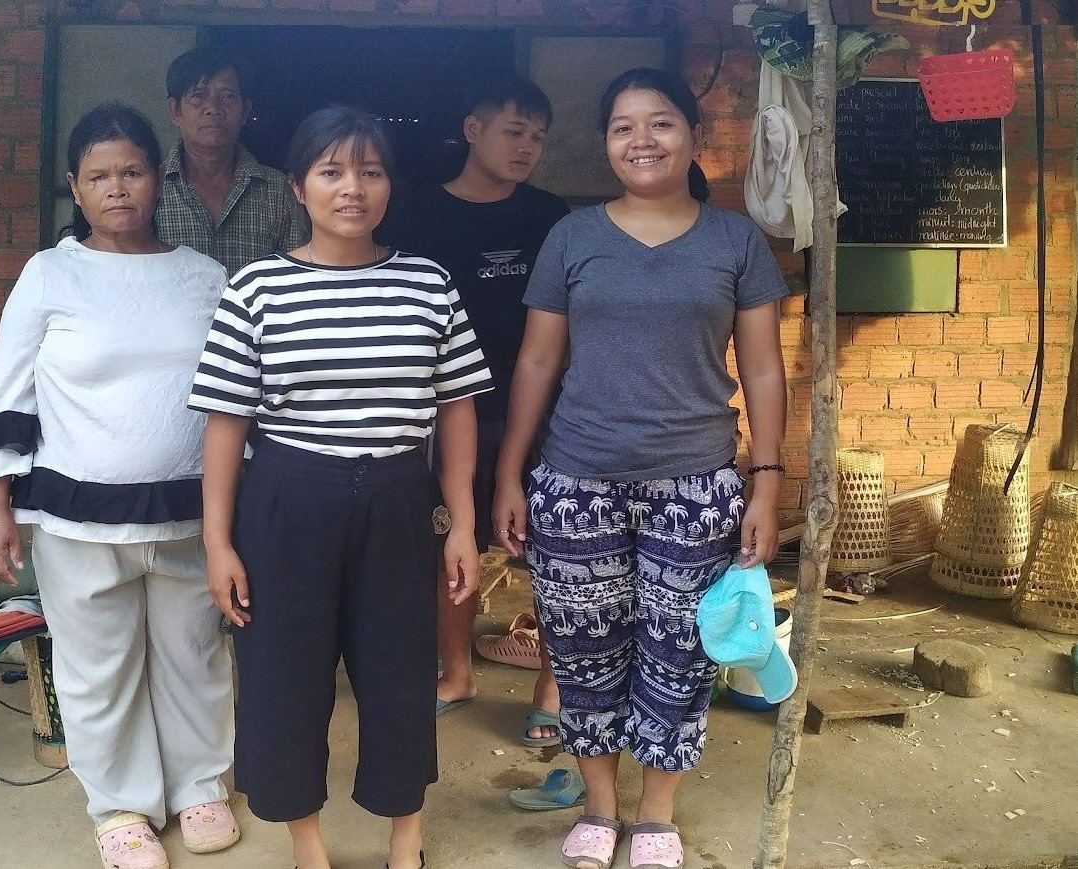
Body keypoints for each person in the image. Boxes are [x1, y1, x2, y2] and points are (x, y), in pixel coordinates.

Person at [492, 68, 788, 869]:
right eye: (624, 126)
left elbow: (762, 370)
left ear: (693, 138)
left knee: (680, 652)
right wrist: (508, 473)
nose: (642, 140)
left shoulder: (734, 241)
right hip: (576, 481)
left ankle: (656, 813)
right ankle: (598, 804)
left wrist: (766, 480)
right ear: (606, 145)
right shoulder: (573, 237)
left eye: (660, 123)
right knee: (583, 649)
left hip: (696, 485)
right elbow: (537, 362)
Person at [189, 106, 492, 869]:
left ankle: (406, 843)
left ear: (391, 184)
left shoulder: (428, 284)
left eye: (370, 170)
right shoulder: (257, 288)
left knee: (398, 669)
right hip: (288, 502)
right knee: (284, 677)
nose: (351, 188)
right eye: (331, 171)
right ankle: (308, 847)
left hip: (396, 498)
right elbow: (226, 425)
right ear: (298, 186)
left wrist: (460, 523)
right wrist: (218, 541)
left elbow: (456, 411)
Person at [0, 104, 238, 869]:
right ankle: (120, 805)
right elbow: (8, 393)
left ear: (160, 177)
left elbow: (233, 401)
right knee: (97, 662)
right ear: (74, 189)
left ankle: (200, 786)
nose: (117, 189)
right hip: (76, 517)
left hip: (188, 511)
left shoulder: (203, 277)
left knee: (194, 651)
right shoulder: (51, 274)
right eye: (98, 176)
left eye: (133, 171)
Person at [376, 74, 568, 748]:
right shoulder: (414, 216)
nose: (526, 148)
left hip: (540, 412)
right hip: (442, 411)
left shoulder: (551, 218)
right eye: (513, 131)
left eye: (537, 138)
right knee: (448, 543)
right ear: (472, 129)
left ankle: (551, 685)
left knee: (550, 551)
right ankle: (455, 673)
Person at [157, 46, 308, 274]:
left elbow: (297, 276)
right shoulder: (150, 187)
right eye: (198, 96)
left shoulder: (278, 191)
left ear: (245, 111)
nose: (213, 108)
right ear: (174, 110)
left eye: (227, 96)